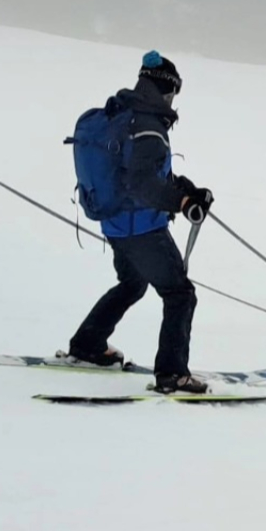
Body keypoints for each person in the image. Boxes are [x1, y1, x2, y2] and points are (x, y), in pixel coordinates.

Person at [62, 51, 215, 394]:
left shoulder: (127, 116)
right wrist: (182, 202)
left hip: (115, 224)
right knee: (180, 295)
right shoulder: (148, 127)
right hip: (141, 229)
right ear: (166, 89)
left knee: (133, 283)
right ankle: (172, 375)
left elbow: (144, 174)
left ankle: (88, 344)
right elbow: (143, 185)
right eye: (173, 93)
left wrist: (186, 191)